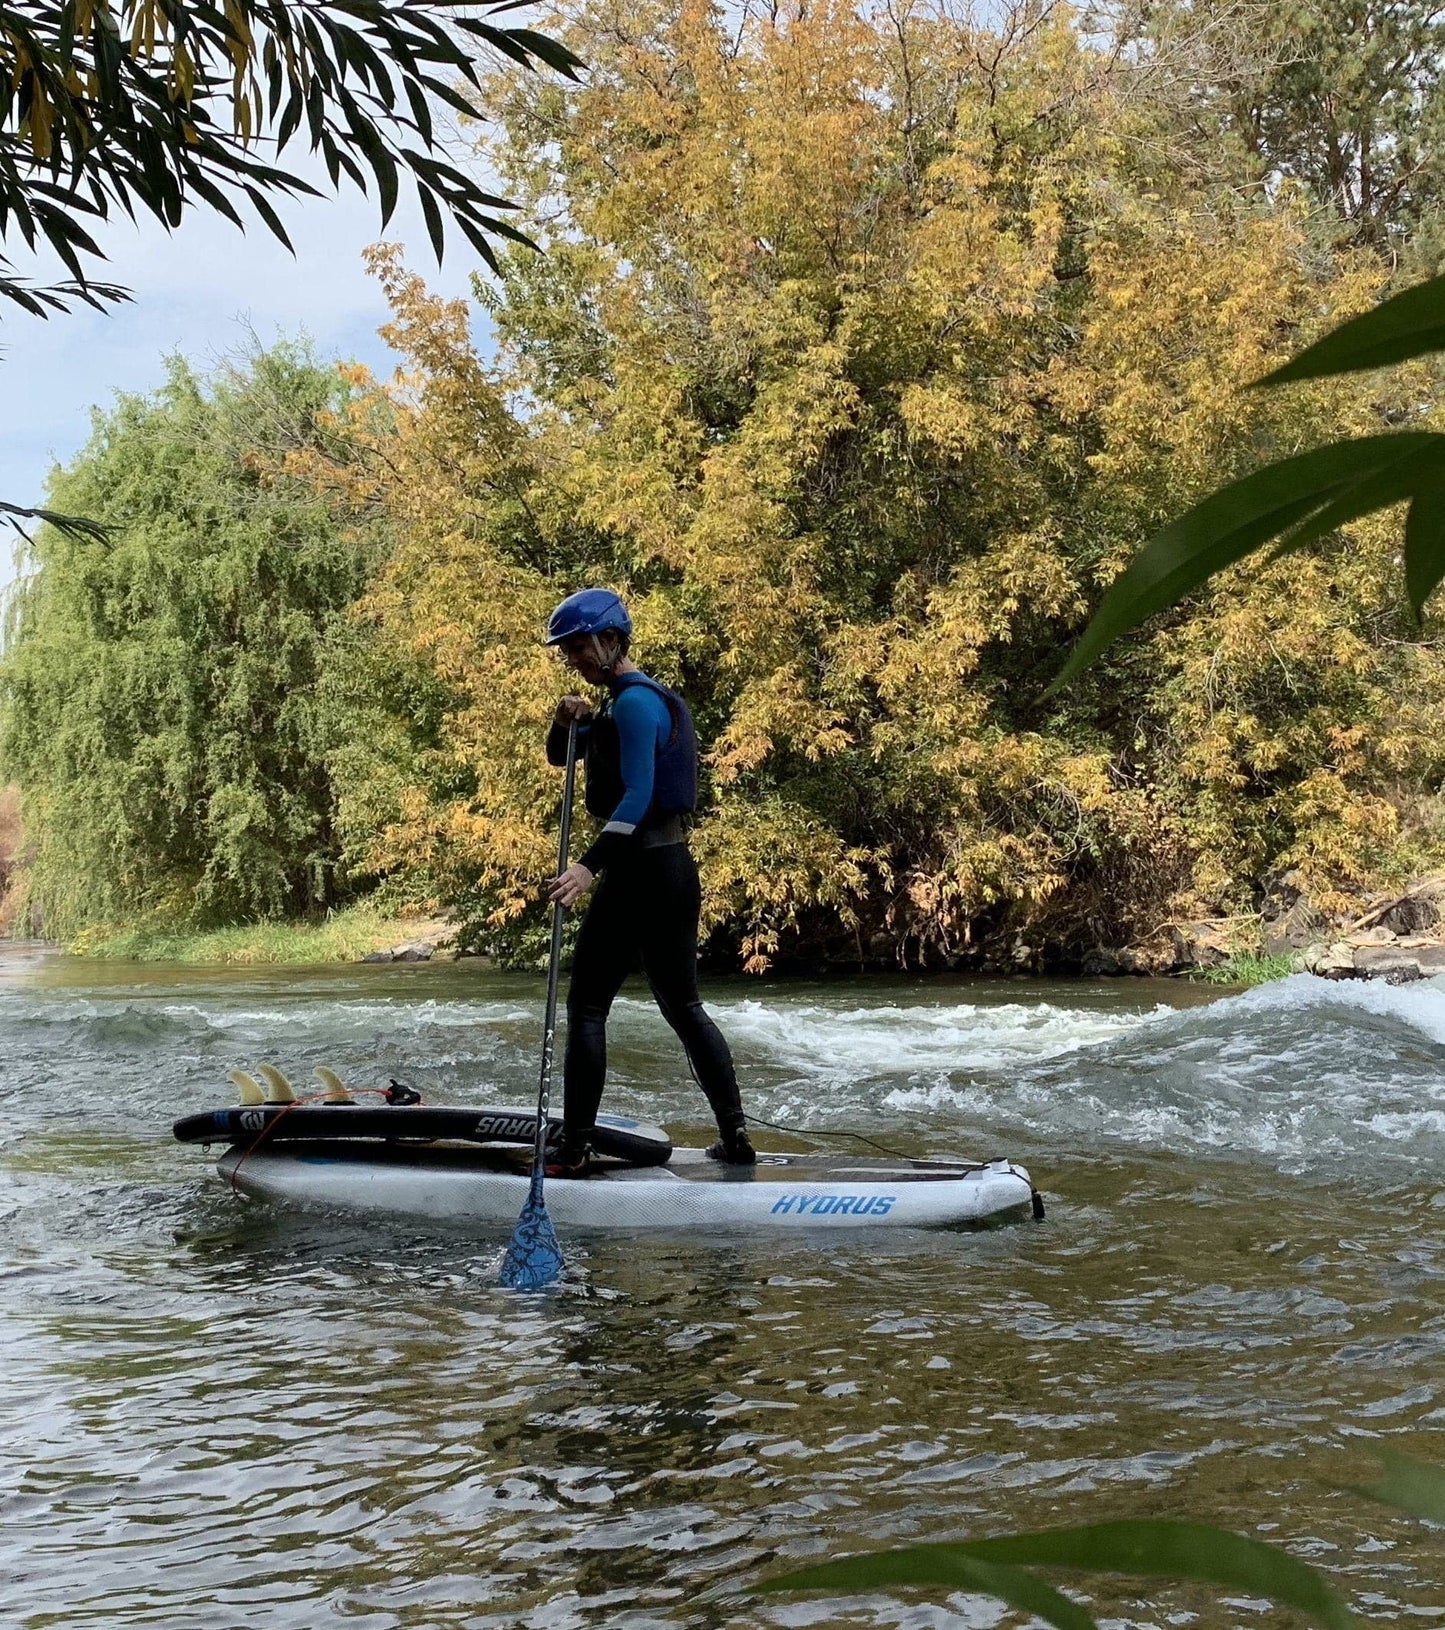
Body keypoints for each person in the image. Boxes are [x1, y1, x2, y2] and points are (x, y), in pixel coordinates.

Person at [542, 587, 755, 1174]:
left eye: (581, 646)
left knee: (587, 1009)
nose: (575, 658)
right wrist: (564, 719)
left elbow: (636, 795)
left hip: (641, 871)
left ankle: (575, 1148)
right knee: (684, 1007)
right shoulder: (620, 705)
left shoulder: (634, 705)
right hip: (671, 871)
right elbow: (562, 758)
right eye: (568, 652)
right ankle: (735, 1138)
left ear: (612, 639)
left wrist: (588, 867)